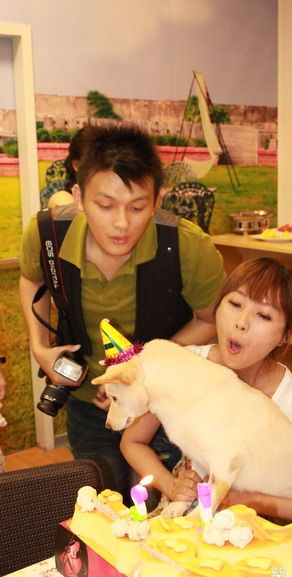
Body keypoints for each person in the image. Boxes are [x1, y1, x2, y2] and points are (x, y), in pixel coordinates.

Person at [19, 124, 225, 503]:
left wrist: (141, 371)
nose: (121, 223)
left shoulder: (186, 246)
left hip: (163, 408)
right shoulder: (48, 234)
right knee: (104, 503)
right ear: (79, 196)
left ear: (158, 199)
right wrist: (39, 346)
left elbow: (210, 320)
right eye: (105, 205)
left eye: (137, 207)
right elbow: (32, 279)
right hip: (89, 403)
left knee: (167, 508)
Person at [121, 257, 292, 549]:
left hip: (269, 538)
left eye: (264, 316)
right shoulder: (185, 364)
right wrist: (171, 484)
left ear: (284, 336)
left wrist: (248, 500)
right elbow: (132, 441)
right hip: (201, 525)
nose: (241, 322)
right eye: (235, 304)